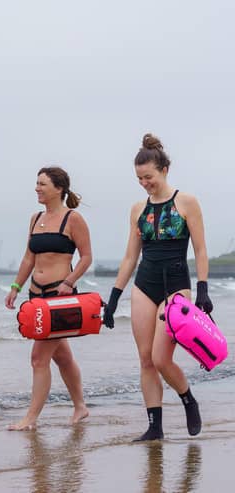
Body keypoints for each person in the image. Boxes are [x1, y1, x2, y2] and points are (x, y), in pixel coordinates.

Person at [103, 133, 212, 441]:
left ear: (164, 169)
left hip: (176, 284)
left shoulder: (187, 202)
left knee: (162, 358)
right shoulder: (138, 209)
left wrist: (202, 289)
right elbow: (129, 257)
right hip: (145, 283)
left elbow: (201, 250)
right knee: (146, 358)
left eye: (148, 176)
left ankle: (188, 398)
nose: (144, 183)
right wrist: (113, 298)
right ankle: (155, 427)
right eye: (139, 179)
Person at [5, 166, 92, 430]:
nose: (37, 188)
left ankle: (30, 418)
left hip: (59, 296)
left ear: (59, 188)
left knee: (38, 358)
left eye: (42, 184)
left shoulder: (73, 219)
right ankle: (80, 407)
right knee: (61, 356)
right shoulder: (35, 219)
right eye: (37, 183)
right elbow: (29, 257)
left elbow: (87, 257)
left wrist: (69, 282)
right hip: (35, 296)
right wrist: (15, 287)